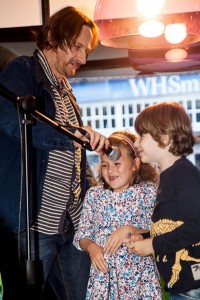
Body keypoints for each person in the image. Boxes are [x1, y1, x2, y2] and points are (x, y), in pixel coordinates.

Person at [0, 6, 109, 300]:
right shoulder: (22, 71)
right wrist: (70, 135)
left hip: (72, 222)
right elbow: (12, 122)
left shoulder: (66, 90)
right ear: (51, 37)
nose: (83, 58)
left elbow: (75, 157)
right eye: (76, 47)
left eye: (86, 50)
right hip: (36, 225)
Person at [73, 130, 163, 299]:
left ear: (135, 163)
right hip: (103, 277)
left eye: (117, 164)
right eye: (105, 165)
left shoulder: (148, 192)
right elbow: (83, 235)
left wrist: (130, 229)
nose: (110, 170)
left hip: (139, 277)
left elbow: (157, 230)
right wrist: (92, 248)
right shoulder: (94, 195)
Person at [127, 102, 200, 300]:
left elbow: (197, 225)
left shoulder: (182, 174)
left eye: (142, 136)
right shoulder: (169, 176)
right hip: (182, 287)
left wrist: (153, 245)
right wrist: (146, 237)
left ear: (165, 137)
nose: (136, 144)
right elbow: (175, 225)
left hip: (192, 289)